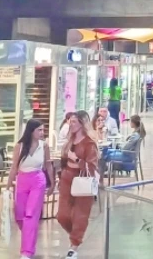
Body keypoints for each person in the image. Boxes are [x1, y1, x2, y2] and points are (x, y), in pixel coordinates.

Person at [56, 111, 100, 259]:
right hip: (66, 179)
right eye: (70, 121)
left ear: (82, 124)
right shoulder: (69, 141)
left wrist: (76, 159)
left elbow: (92, 167)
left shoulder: (89, 144)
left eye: (74, 122)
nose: (71, 124)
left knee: (80, 216)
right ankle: (76, 235)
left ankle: (74, 246)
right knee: (62, 216)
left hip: (82, 181)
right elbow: (63, 161)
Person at [9, 119, 54, 259]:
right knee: (19, 216)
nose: (42, 132)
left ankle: (26, 252)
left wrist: (52, 183)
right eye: (39, 130)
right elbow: (14, 167)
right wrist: (8, 185)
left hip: (37, 181)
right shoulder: (20, 146)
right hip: (22, 181)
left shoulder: (44, 145)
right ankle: (30, 238)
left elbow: (48, 165)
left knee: (30, 215)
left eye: (43, 130)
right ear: (31, 131)